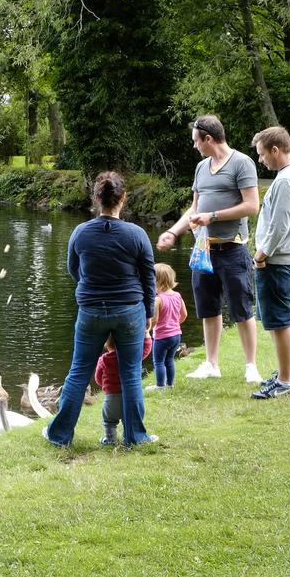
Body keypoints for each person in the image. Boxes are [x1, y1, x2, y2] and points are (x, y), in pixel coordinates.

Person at [43, 171, 158, 447]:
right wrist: (149, 311)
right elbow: (148, 276)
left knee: (79, 372)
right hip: (130, 311)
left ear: (96, 198)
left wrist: (92, 287)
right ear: (123, 199)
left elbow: (74, 270)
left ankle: (59, 436)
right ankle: (136, 437)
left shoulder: (80, 233)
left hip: (91, 310)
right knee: (131, 372)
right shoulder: (137, 234)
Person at [156, 114, 262, 384]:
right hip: (203, 251)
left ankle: (251, 366)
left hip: (233, 250)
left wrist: (213, 216)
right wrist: (173, 232)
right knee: (208, 308)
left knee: (242, 309)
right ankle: (211, 363)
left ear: (209, 139)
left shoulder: (242, 163)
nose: (194, 147)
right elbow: (194, 210)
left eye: (196, 142)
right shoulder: (202, 168)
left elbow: (252, 206)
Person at [249, 125, 290, 399]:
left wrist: (261, 253)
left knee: (279, 320)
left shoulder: (288, 180)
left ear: (275, 150)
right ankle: (286, 371)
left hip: (278, 260)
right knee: (277, 319)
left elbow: (280, 225)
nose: (261, 160)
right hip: (284, 258)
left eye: (262, 154)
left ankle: (286, 380)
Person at [96, 329, 155, 445]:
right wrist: (146, 334)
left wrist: (107, 386)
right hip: (129, 397)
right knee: (128, 419)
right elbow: (146, 349)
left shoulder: (103, 359)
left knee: (109, 422)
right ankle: (128, 438)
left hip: (110, 399)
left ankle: (110, 440)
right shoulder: (131, 356)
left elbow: (98, 378)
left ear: (107, 344)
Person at [152, 263, 188, 388]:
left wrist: (147, 329)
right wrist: (174, 324)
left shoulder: (158, 300)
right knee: (169, 360)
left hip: (162, 337)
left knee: (158, 362)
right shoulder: (177, 296)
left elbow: (155, 320)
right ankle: (170, 384)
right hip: (176, 335)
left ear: (157, 281)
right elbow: (184, 315)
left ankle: (160, 386)